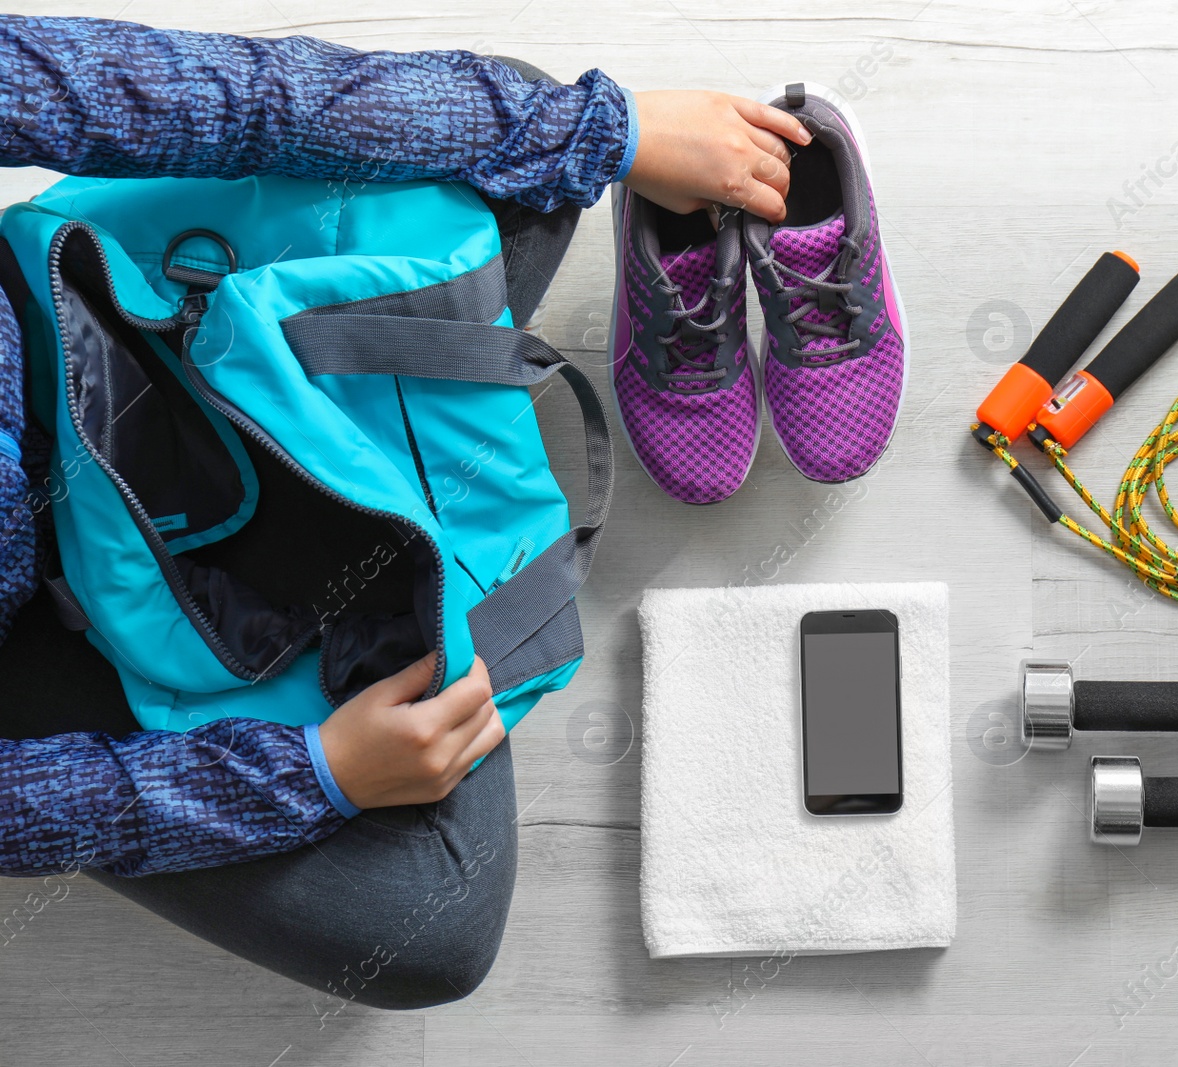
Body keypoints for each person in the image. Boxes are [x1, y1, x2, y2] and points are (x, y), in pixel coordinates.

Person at [0, 13, 810, 1009]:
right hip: (34, 629)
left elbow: (224, 96)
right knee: (434, 918)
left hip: (103, 316)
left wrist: (610, 132)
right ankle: (420, 454)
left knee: (498, 131)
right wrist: (312, 774)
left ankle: (409, 461)